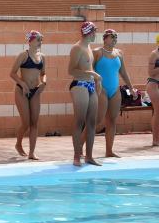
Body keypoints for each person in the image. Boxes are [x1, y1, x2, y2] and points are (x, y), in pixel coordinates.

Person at [92, 29, 137, 157]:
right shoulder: (97, 52)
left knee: (112, 120)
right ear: (105, 38)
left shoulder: (119, 53)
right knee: (96, 120)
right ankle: (81, 148)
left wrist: (131, 88)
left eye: (116, 38)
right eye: (112, 37)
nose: (114, 40)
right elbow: (89, 70)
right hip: (102, 89)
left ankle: (109, 151)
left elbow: (123, 72)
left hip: (115, 90)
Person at [68, 22, 102, 167]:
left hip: (90, 85)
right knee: (79, 121)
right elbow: (71, 70)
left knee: (92, 122)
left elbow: (88, 67)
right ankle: (77, 156)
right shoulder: (77, 48)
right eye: (94, 32)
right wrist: (90, 73)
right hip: (79, 85)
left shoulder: (88, 47)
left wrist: (95, 79)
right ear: (88, 32)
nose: (96, 34)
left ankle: (89, 156)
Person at [9, 30, 46, 160]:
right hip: (22, 91)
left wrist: (44, 82)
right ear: (30, 41)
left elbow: (43, 73)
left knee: (34, 123)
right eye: (38, 40)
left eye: (41, 40)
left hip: (35, 91)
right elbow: (12, 73)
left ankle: (32, 152)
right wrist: (22, 83)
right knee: (26, 122)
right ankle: (18, 144)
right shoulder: (23, 55)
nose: (40, 42)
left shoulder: (42, 57)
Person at [147, 34, 159, 146]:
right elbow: (150, 72)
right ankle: (155, 140)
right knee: (158, 111)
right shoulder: (154, 54)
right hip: (154, 83)